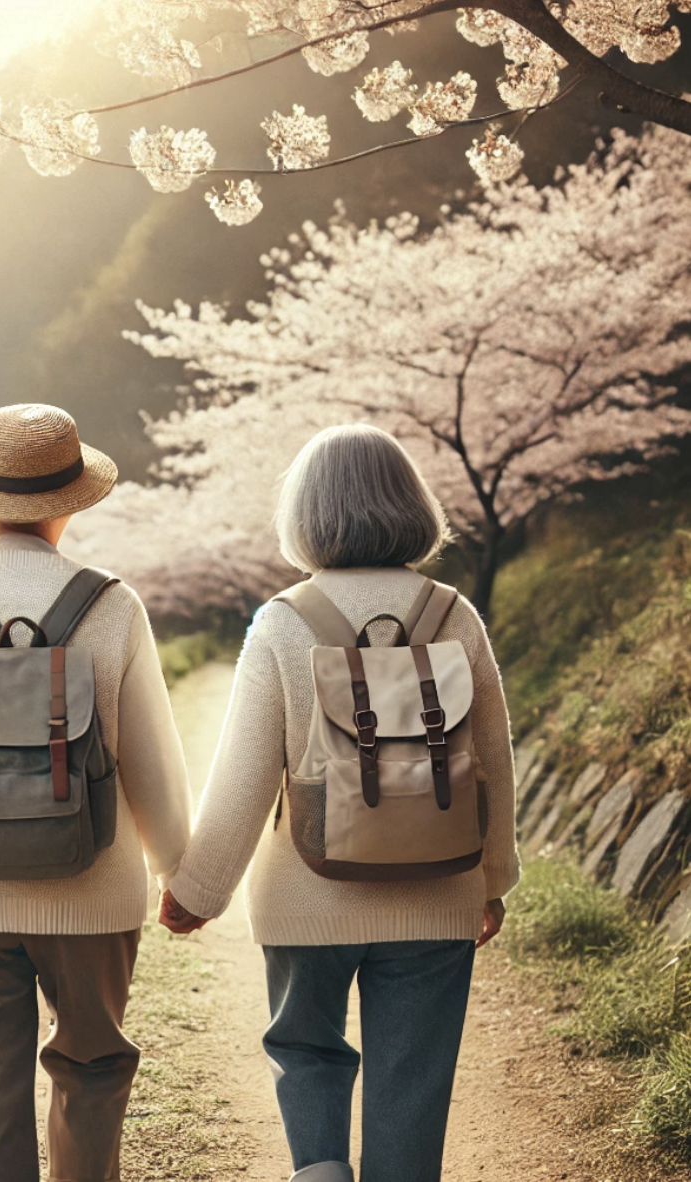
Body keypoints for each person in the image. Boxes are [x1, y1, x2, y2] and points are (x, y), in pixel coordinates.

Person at [160, 424, 519, 1182]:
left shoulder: (285, 621)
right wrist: (492, 878)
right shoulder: (455, 614)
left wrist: (198, 890)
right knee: (414, 1078)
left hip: (306, 892)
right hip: (437, 887)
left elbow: (244, 777)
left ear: (307, 514)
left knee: (306, 1049)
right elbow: (493, 761)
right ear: (410, 505)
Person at [0, 403, 191, 1182]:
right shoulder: (113, 606)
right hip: (95, 885)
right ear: (74, 499)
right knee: (91, 1073)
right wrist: (182, 873)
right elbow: (151, 769)